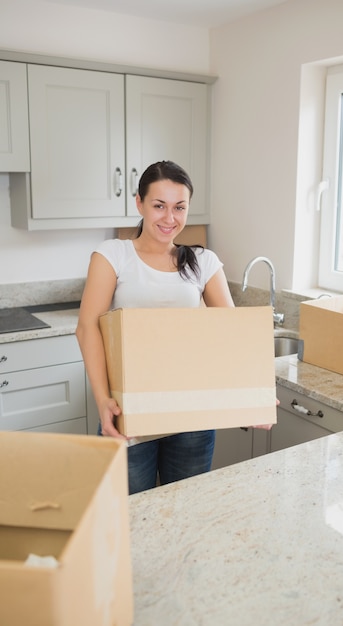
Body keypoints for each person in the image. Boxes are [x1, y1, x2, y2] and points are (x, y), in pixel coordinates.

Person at [76, 160, 237, 494]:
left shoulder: (203, 262)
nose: (169, 218)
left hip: (192, 413)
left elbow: (232, 333)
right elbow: (87, 327)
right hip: (130, 409)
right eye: (159, 206)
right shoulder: (113, 255)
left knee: (184, 511)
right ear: (139, 203)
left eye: (179, 207)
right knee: (129, 514)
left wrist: (251, 392)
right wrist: (103, 400)